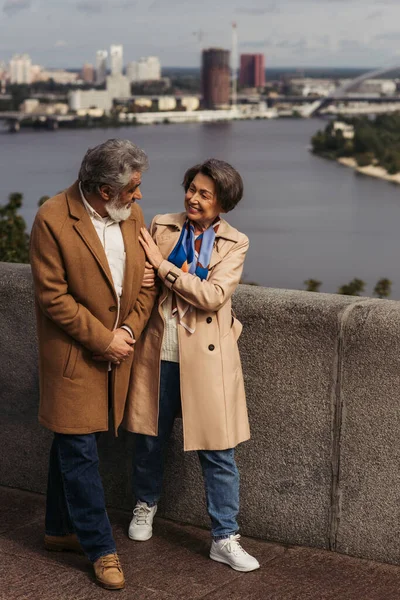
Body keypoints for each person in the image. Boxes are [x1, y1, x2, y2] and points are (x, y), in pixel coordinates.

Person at [30, 139, 157, 590]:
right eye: (133, 188)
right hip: (74, 358)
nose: (140, 196)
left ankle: (58, 529)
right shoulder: (51, 218)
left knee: (72, 440)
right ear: (106, 190)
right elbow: (53, 297)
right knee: (79, 448)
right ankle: (101, 547)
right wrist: (103, 339)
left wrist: (127, 333)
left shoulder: (132, 216)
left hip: (116, 353)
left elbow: (147, 285)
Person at [124, 158, 260, 572]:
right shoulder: (162, 226)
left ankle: (224, 537)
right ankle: (145, 505)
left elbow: (213, 295)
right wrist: (148, 273)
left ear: (223, 202)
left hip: (207, 359)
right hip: (156, 350)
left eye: (205, 193)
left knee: (219, 452)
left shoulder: (235, 242)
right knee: (149, 439)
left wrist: (161, 268)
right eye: (191, 189)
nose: (193, 198)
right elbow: (136, 275)